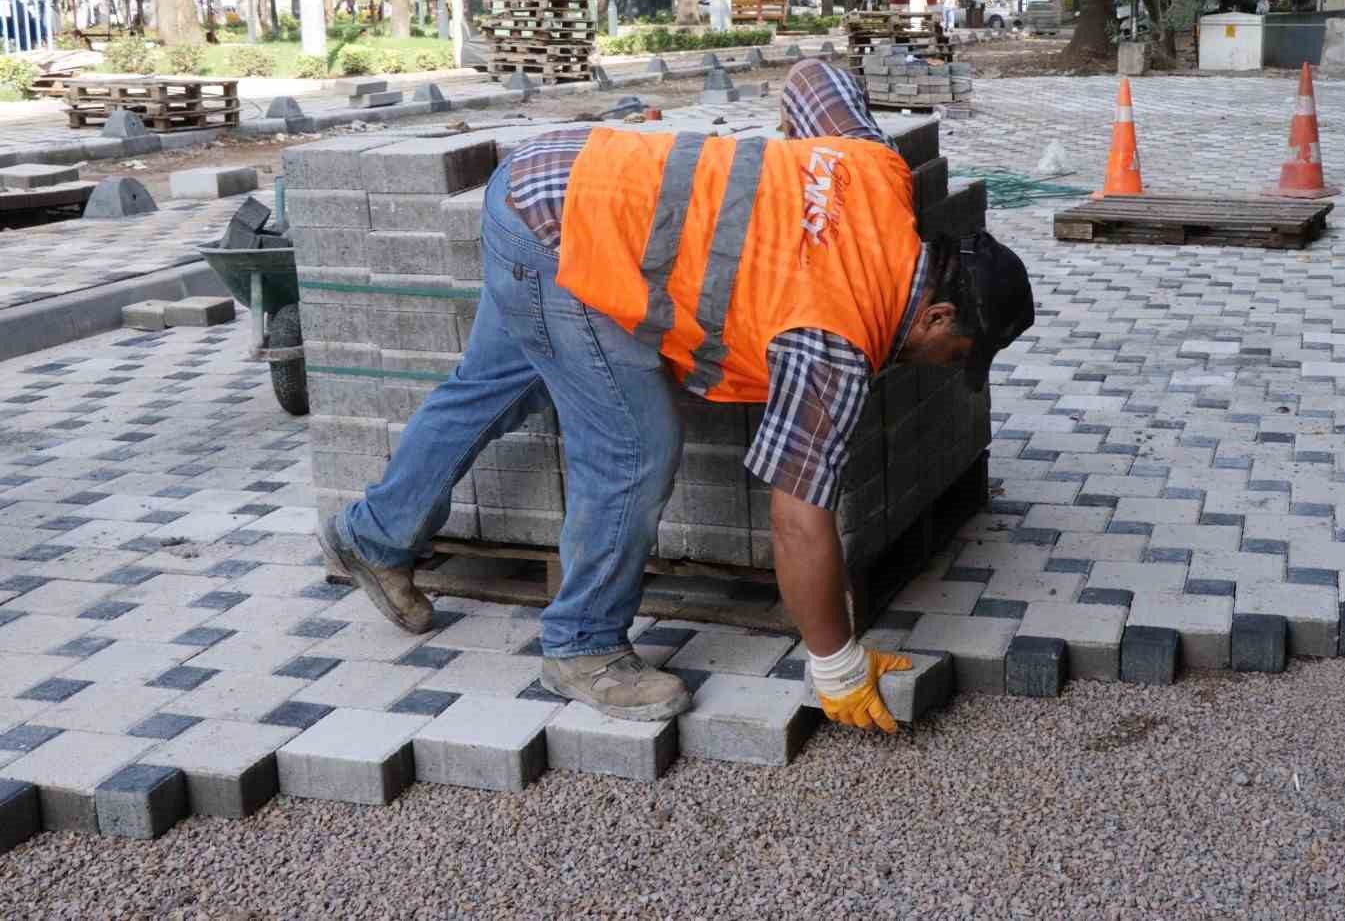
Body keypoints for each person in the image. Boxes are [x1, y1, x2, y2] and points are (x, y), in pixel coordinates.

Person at [319, 59, 1036, 734]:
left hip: (545, 176)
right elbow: (797, 521)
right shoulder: (833, 336)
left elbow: (812, 77)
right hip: (563, 233)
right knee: (635, 448)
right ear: (939, 316)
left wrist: (800, 203)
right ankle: (582, 645)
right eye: (958, 357)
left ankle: (373, 533)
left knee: (495, 384)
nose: (946, 369)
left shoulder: (877, 171)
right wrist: (839, 668)